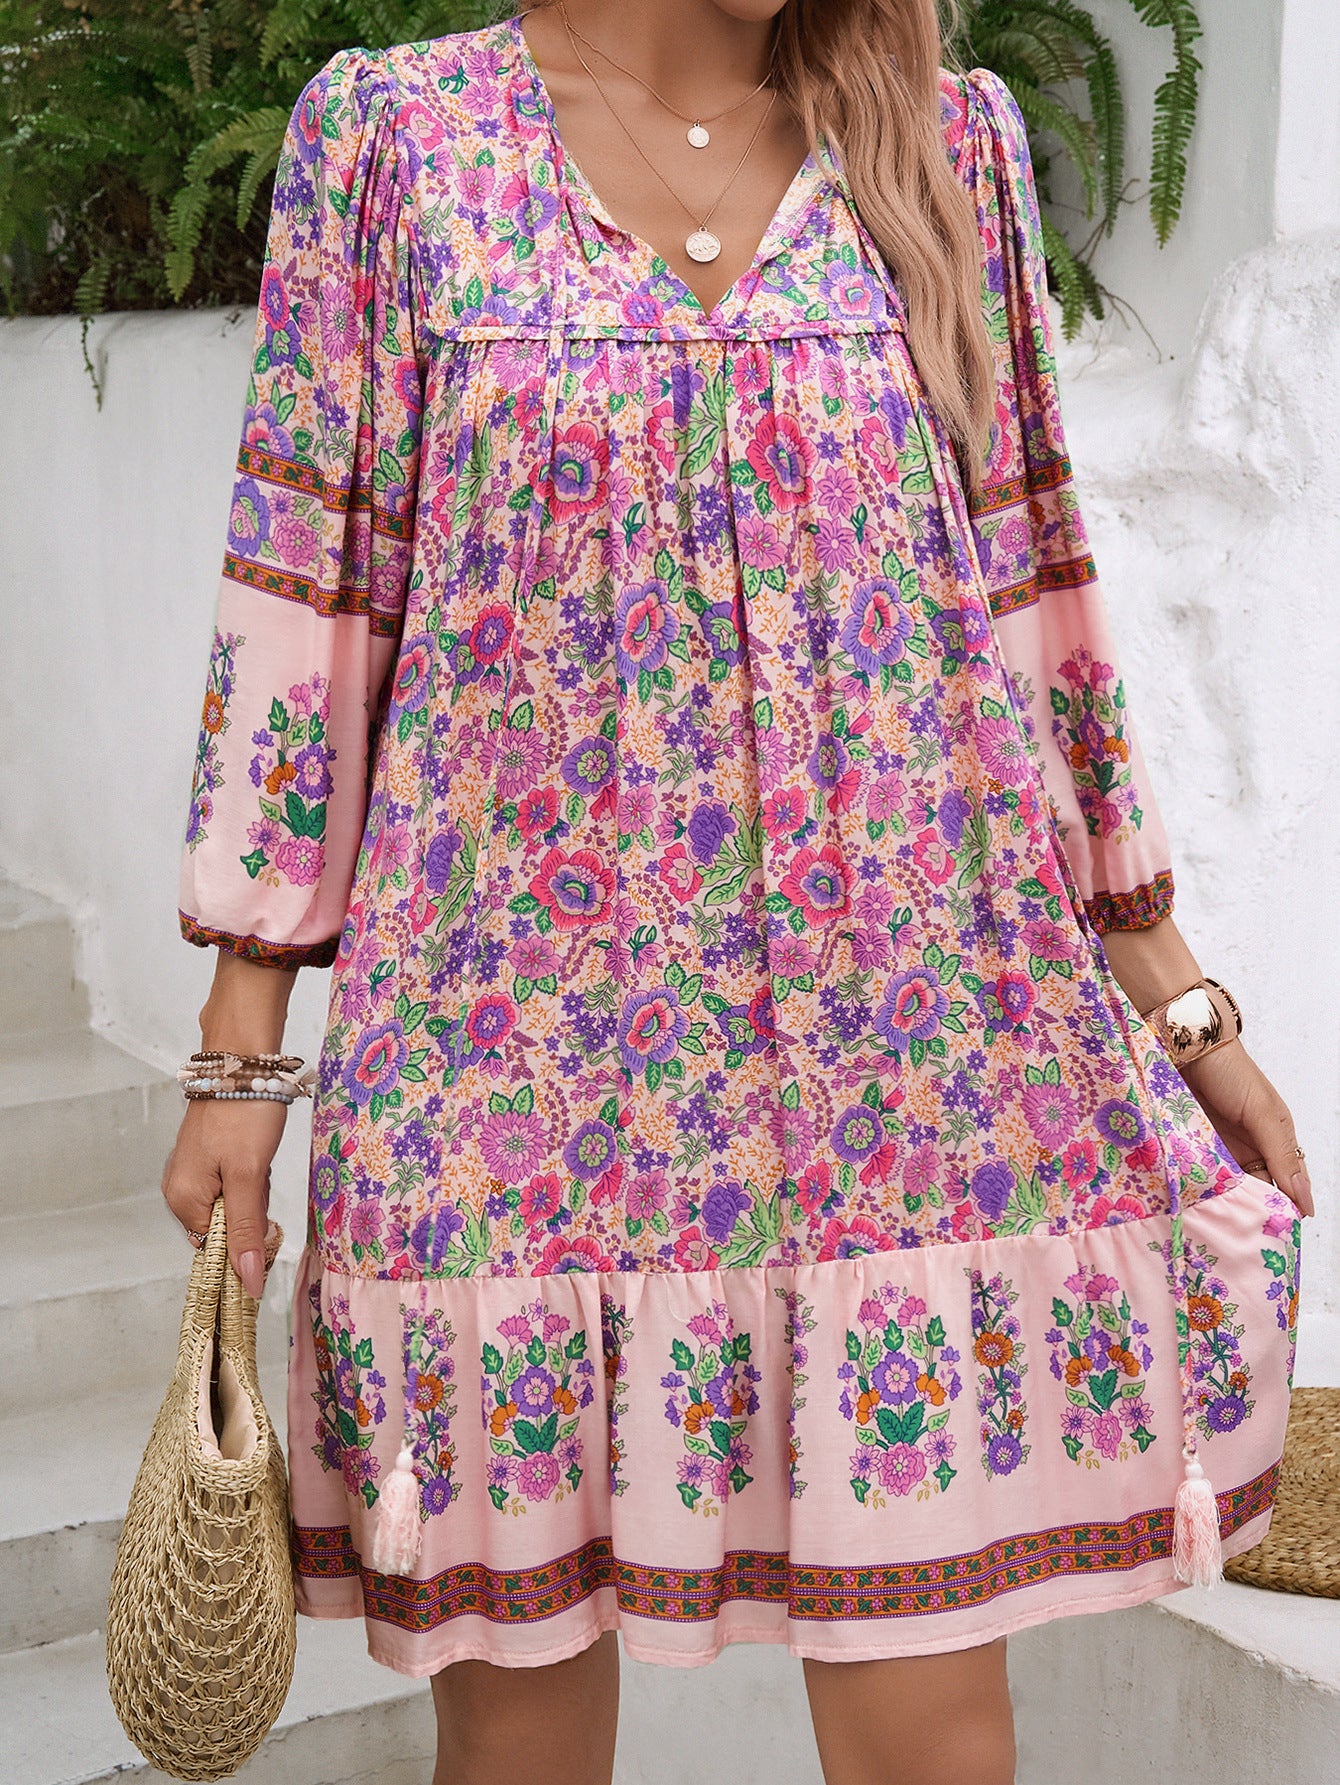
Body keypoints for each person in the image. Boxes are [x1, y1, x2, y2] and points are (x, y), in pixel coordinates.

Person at [162, 3, 1311, 1780]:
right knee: (520, 1732)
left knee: (933, 1731)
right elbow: (310, 586)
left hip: (898, 1074)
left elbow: (1028, 580)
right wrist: (243, 1049)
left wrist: (1167, 981)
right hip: (504, 1075)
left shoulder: (945, 143)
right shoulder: (395, 145)